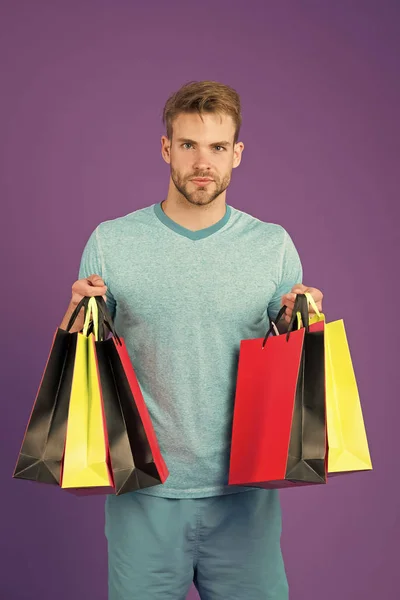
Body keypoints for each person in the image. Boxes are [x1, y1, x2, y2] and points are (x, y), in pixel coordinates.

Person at [60, 80, 323, 600]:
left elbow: (289, 364)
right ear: (166, 149)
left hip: (245, 495)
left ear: (237, 155)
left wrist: (305, 319)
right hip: (144, 494)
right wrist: (73, 312)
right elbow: (85, 363)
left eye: (217, 147)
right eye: (188, 145)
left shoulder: (271, 245)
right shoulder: (112, 242)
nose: (203, 162)